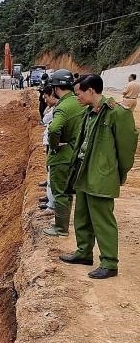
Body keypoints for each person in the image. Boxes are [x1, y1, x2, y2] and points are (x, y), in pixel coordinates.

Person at [59, 74, 139, 278]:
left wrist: (116, 173)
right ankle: (84, 252)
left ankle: (110, 263)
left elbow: (126, 149)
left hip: (102, 175)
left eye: (79, 93)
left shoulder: (117, 113)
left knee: (103, 219)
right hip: (84, 172)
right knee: (82, 215)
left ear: (91, 91)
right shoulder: (89, 112)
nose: (76, 97)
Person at [43, 69, 86, 237]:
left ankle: (61, 228)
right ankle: (64, 225)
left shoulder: (62, 107)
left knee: (60, 192)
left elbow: (54, 129)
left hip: (62, 156)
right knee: (68, 191)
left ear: (55, 88)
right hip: (76, 153)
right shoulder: (78, 102)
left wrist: (54, 146)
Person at [39, 85, 58, 210]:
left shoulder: (58, 108)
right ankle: (49, 198)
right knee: (49, 170)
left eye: (46, 97)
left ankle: (51, 204)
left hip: (56, 146)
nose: (45, 100)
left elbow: (46, 119)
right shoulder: (54, 107)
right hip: (52, 144)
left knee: (53, 173)